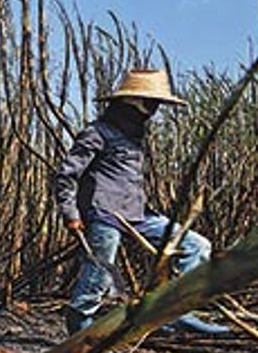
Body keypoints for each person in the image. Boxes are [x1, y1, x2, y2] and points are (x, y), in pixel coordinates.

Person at [54, 68, 229, 336]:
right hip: (104, 213)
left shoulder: (134, 137)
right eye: (150, 103)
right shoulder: (97, 132)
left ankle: (177, 312)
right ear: (130, 102)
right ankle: (80, 324)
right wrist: (70, 213)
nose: (153, 110)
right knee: (100, 272)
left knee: (196, 245)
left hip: (138, 213)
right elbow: (66, 175)